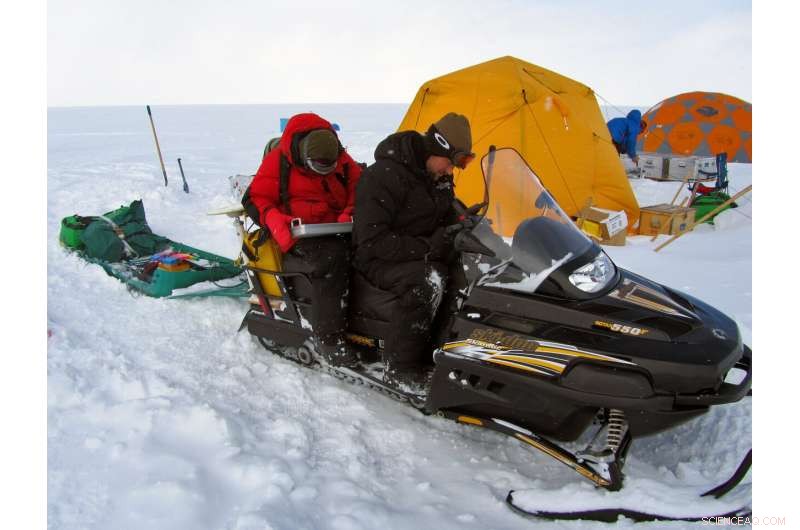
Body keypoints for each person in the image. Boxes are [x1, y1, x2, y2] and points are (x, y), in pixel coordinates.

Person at [352, 113, 475, 392]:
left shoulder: (436, 175)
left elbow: (446, 213)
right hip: (377, 259)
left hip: (417, 251)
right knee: (428, 279)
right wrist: (429, 248)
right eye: (451, 163)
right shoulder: (383, 176)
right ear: (436, 148)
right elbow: (372, 240)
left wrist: (465, 223)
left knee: (468, 270)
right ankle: (400, 368)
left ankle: (450, 351)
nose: (451, 172)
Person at [245, 112, 362, 366]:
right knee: (331, 262)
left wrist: (348, 211)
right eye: (320, 168)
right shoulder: (279, 160)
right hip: (300, 233)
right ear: (304, 157)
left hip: (339, 227)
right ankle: (328, 338)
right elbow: (255, 198)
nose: (326, 172)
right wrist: (273, 217)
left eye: (329, 166)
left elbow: (359, 187)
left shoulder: (340, 157)